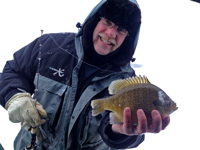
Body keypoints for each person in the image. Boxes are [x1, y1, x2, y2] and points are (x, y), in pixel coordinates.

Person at [0, 0, 170, 149]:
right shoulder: (49, 46)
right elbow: (13, 71)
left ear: (128, 37)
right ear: (96, 19)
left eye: (121, 29)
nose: (111, 34)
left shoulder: (127, 80)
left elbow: (118, 129)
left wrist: (121, 133)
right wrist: (16, 97)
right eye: (108, 22)